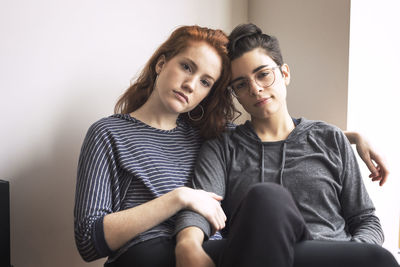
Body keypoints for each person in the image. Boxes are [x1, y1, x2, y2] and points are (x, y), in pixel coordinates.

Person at [74, 25, 388, 267]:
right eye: (186, 67)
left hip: (223, 251)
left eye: (206, 81)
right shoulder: (109, 133)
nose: (190, 84)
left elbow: (276, 134)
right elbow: (88, 241)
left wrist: (349, 137)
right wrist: (180, 198)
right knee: (375, 260)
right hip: (148, 253)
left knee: (270, 204)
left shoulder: (205, 134)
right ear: (161, 63)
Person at [174, 23, 398, 267]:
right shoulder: (223, 147)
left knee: (380, 259)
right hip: (256, 255)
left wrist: (355, 253)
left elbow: (365, 218)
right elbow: (199, 207)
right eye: (241, 84)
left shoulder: (330, 138)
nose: (255, 89)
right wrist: (187, 244)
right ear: (235, 93)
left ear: (285, 73)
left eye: (263, 74)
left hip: (331, 255)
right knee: (266, 198)